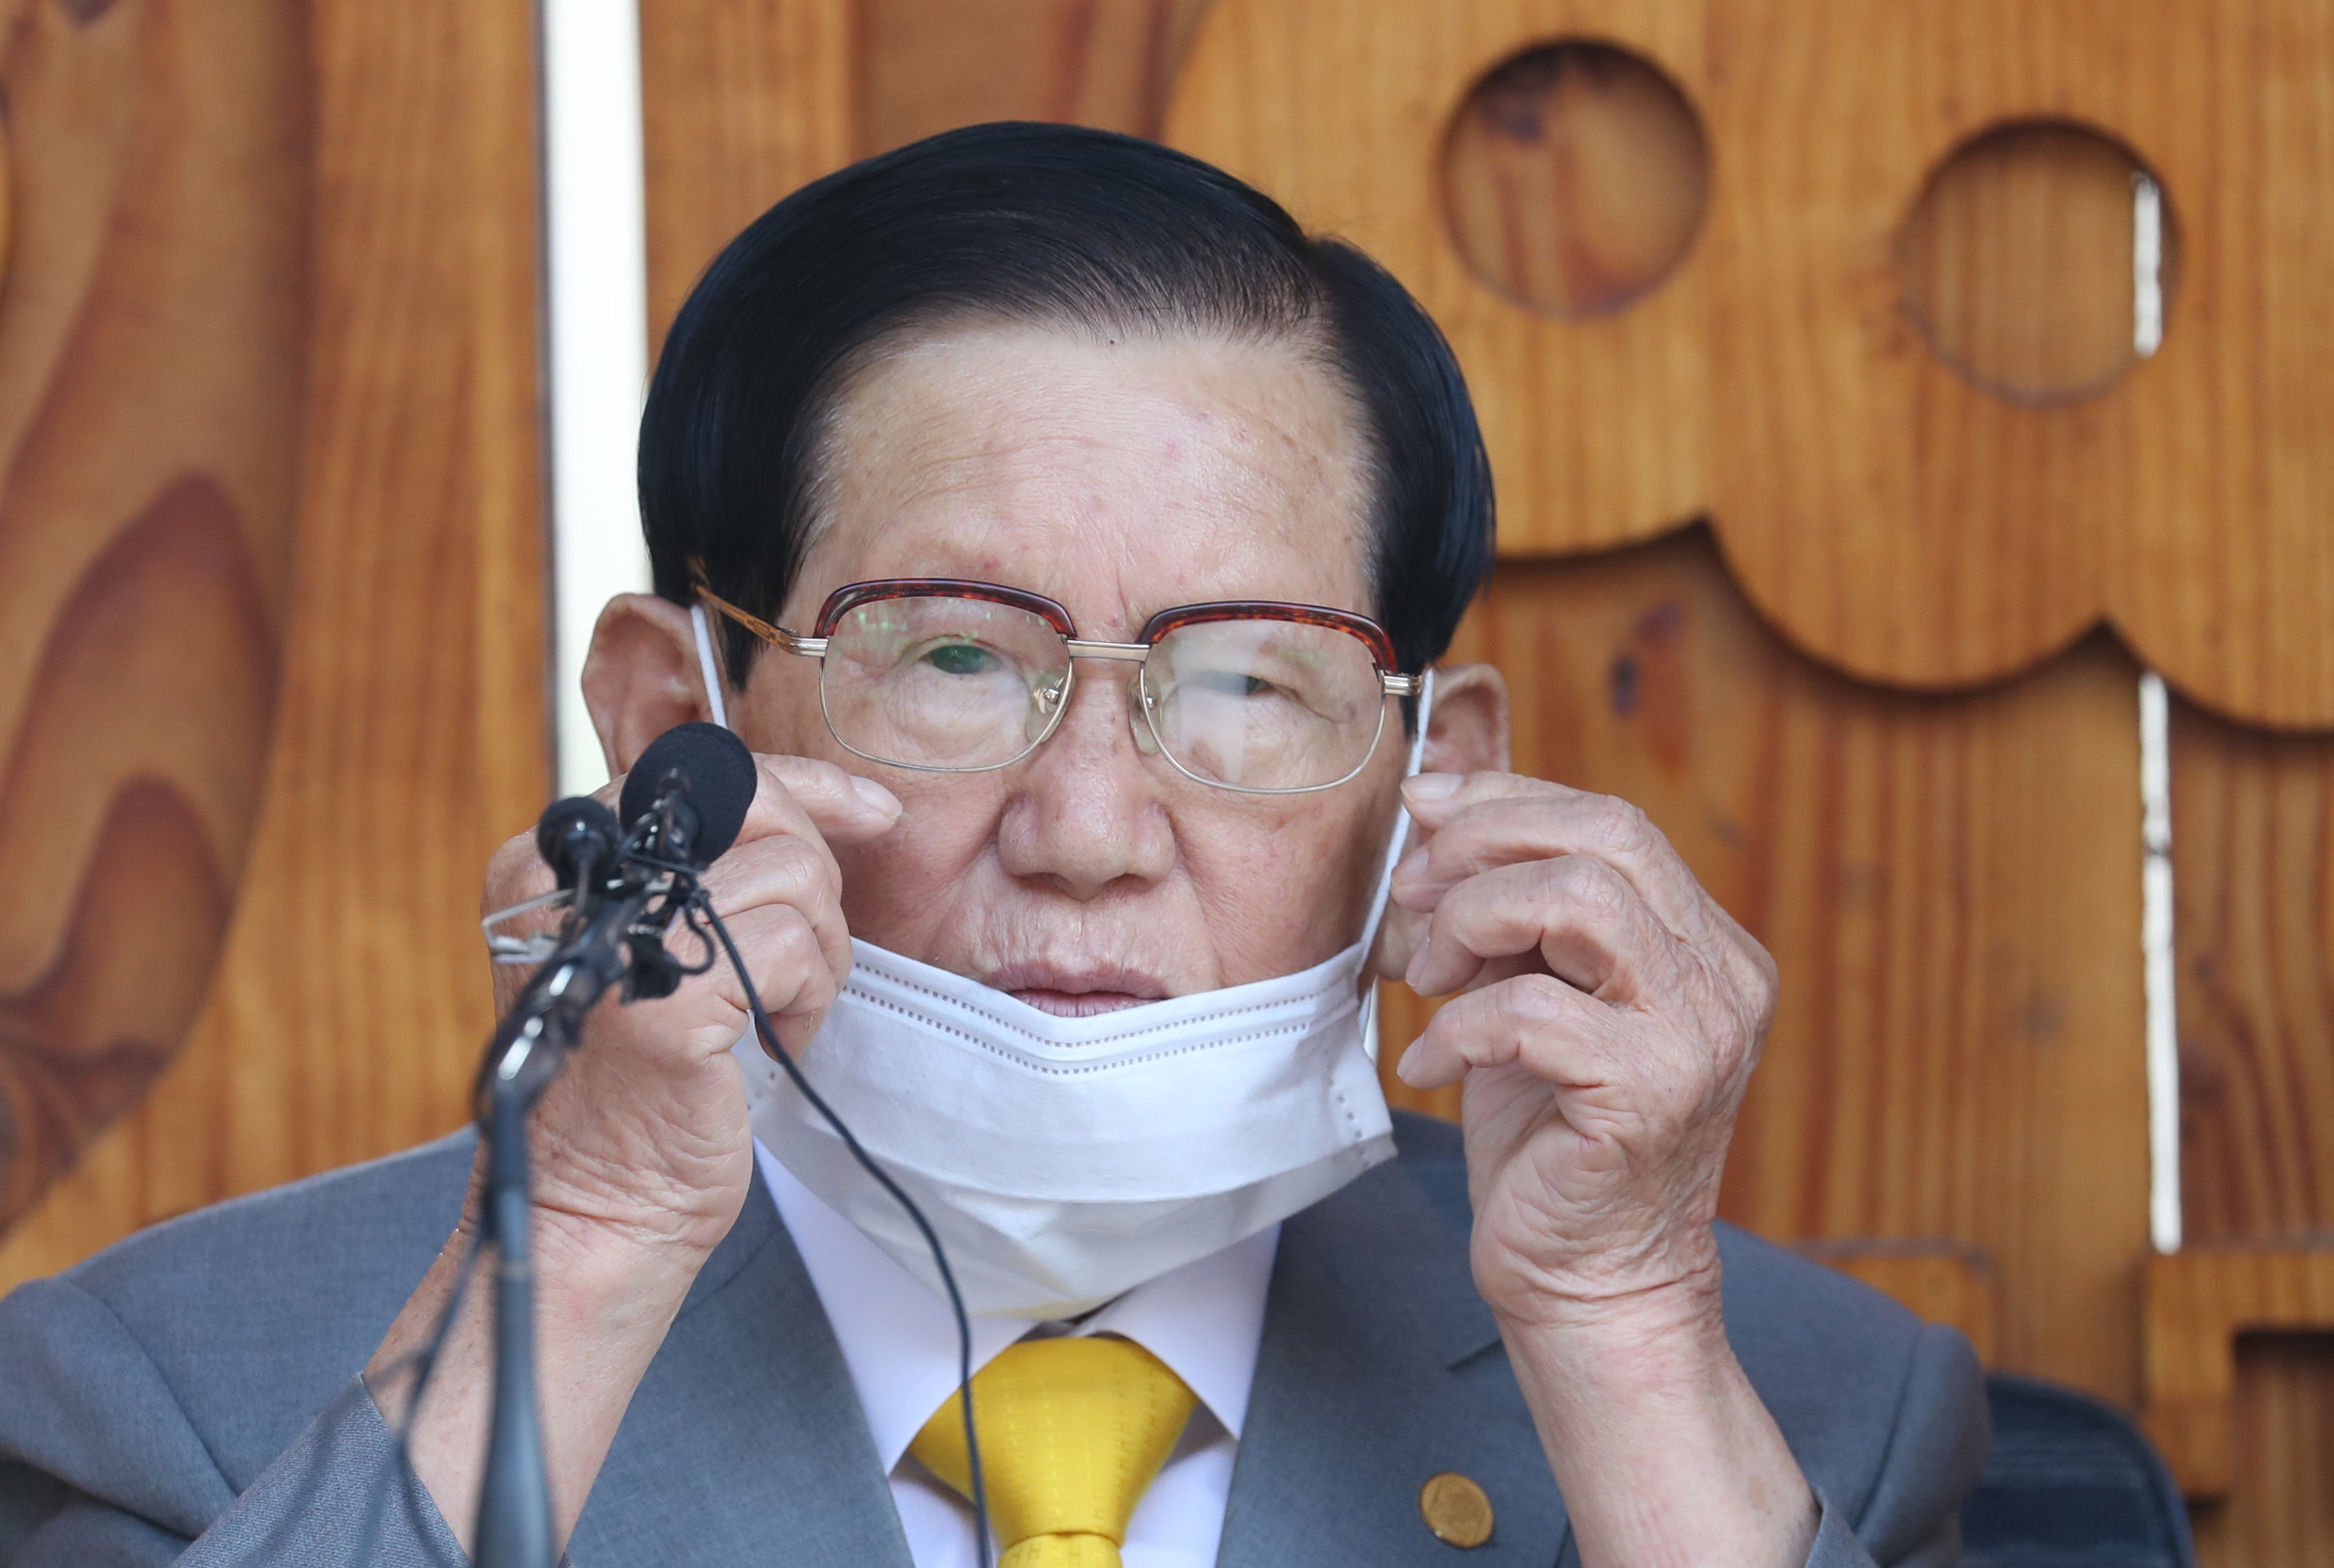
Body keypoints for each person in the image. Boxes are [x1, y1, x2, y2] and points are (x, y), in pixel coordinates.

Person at [0, 123, 1985, 1567]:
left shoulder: (1796, 1411)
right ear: (677, 724)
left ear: (1427, 783)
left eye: (1245, 686)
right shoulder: (179, 1388)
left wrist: (1630, 1349)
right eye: (953, 654)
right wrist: (578, 1258)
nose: (1095, 830)